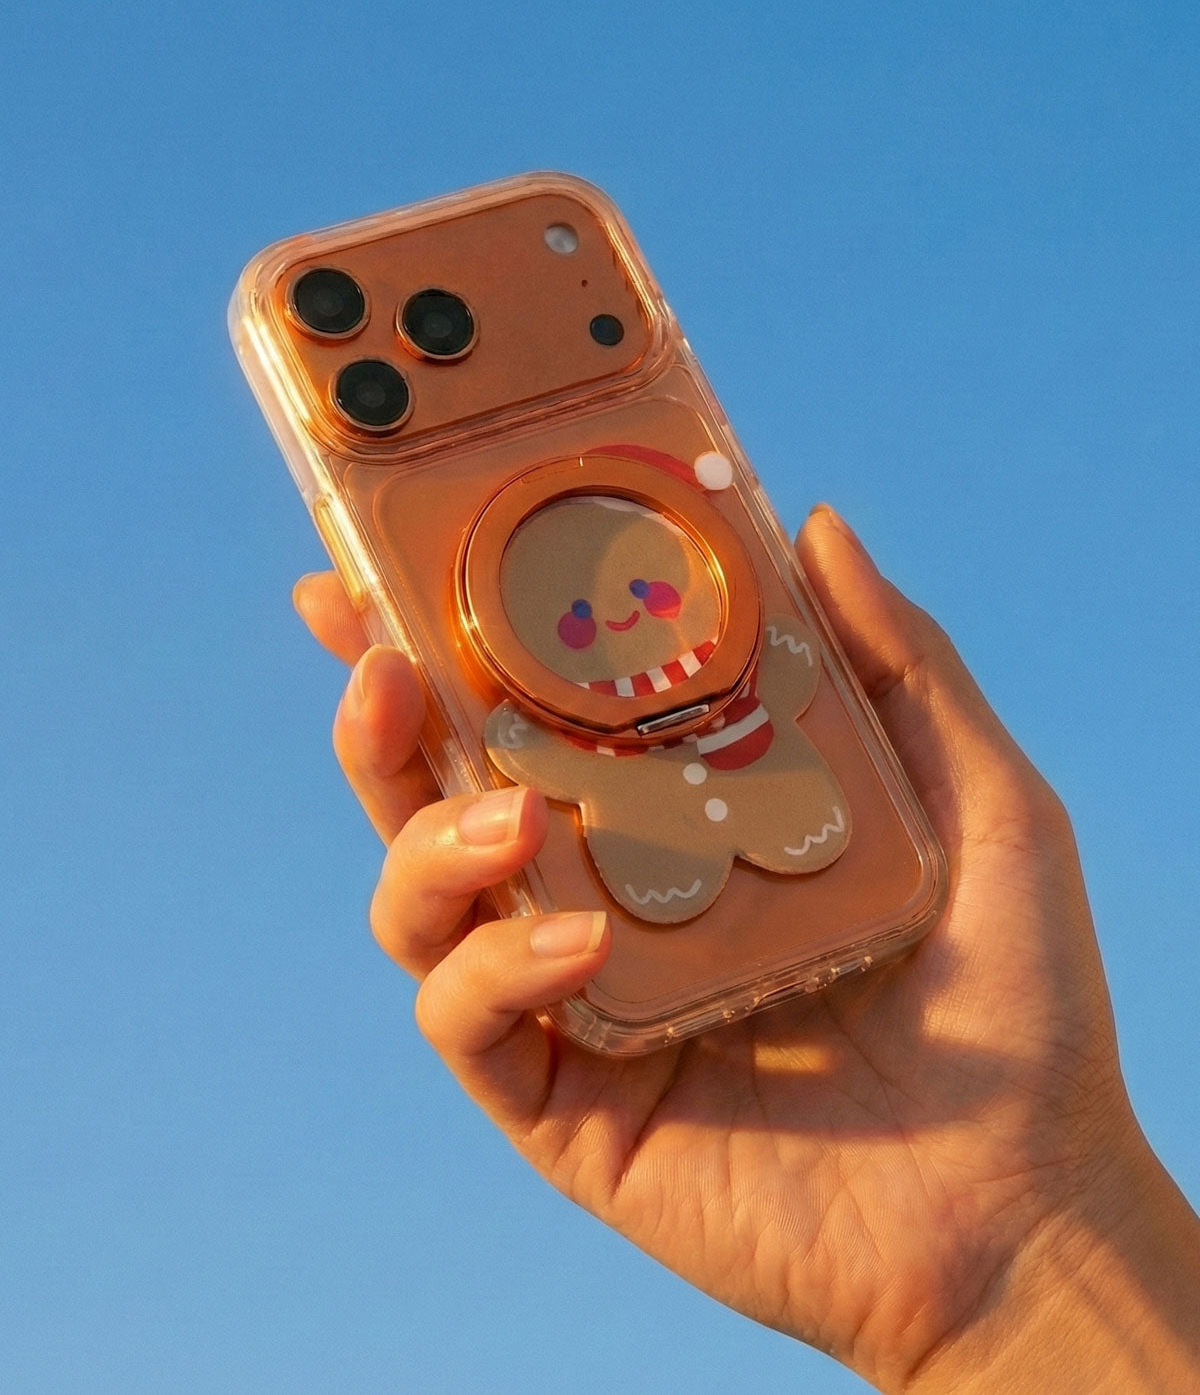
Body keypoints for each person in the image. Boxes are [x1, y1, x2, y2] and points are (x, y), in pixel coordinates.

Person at [292, 504, 1200, 1393]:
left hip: (777, 809)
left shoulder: (761, 679)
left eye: (644, 590)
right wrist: (1018, 1283)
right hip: (654, 851)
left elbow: (785, 672)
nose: (617, 622)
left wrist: (1040, 1234)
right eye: (578, 616)